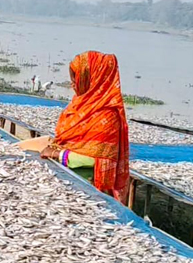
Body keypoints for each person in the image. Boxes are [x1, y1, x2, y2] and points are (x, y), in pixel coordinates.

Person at [40, 51, 131, 202]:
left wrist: (58, 154)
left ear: (92, 78)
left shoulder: (107, 116)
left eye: (75, 78)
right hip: (65, 181)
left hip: (89, 191)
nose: (72, 84)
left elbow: (99, 159)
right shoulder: (80, 104)